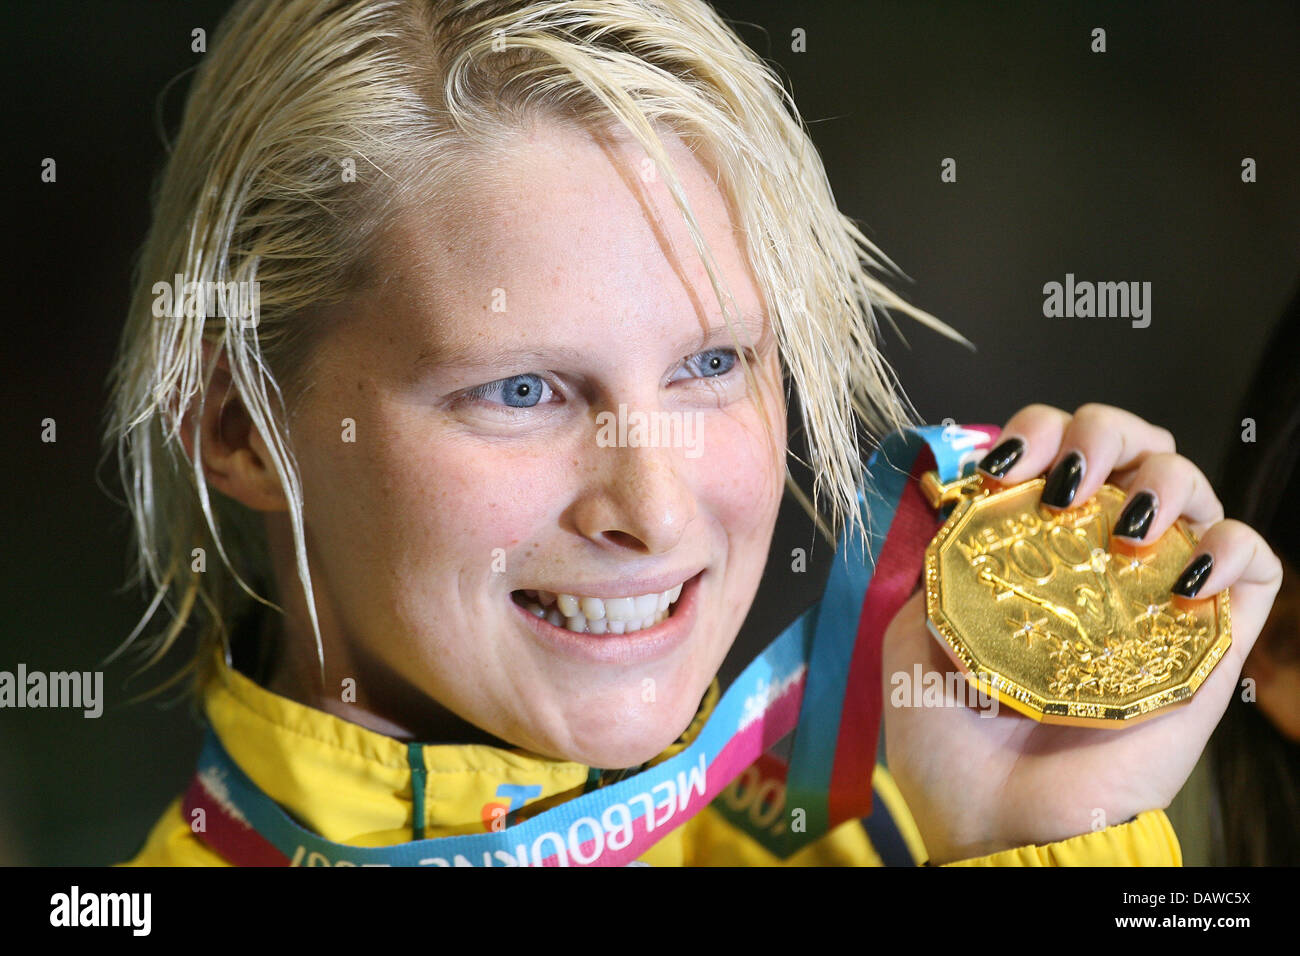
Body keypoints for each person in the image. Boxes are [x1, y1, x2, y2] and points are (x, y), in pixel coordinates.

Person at [108, 0, 1281, 866]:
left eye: (711, 363)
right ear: (238, 426)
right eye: (522, 391)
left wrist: (1015, 828)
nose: (656, 508)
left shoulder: (840, 830)